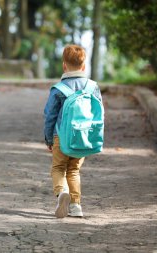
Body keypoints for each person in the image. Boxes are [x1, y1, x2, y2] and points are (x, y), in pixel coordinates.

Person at [43, 44, 102, 218]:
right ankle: (76, 206)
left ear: (64, 65)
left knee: (58, 168)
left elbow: (49, 116)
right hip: (82, 137)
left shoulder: (58, 89)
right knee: (74, 170)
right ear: (84, 66)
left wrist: (48, 139)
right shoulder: (93, 87)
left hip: (60, 136)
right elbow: (97, 113)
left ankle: (62, 193)